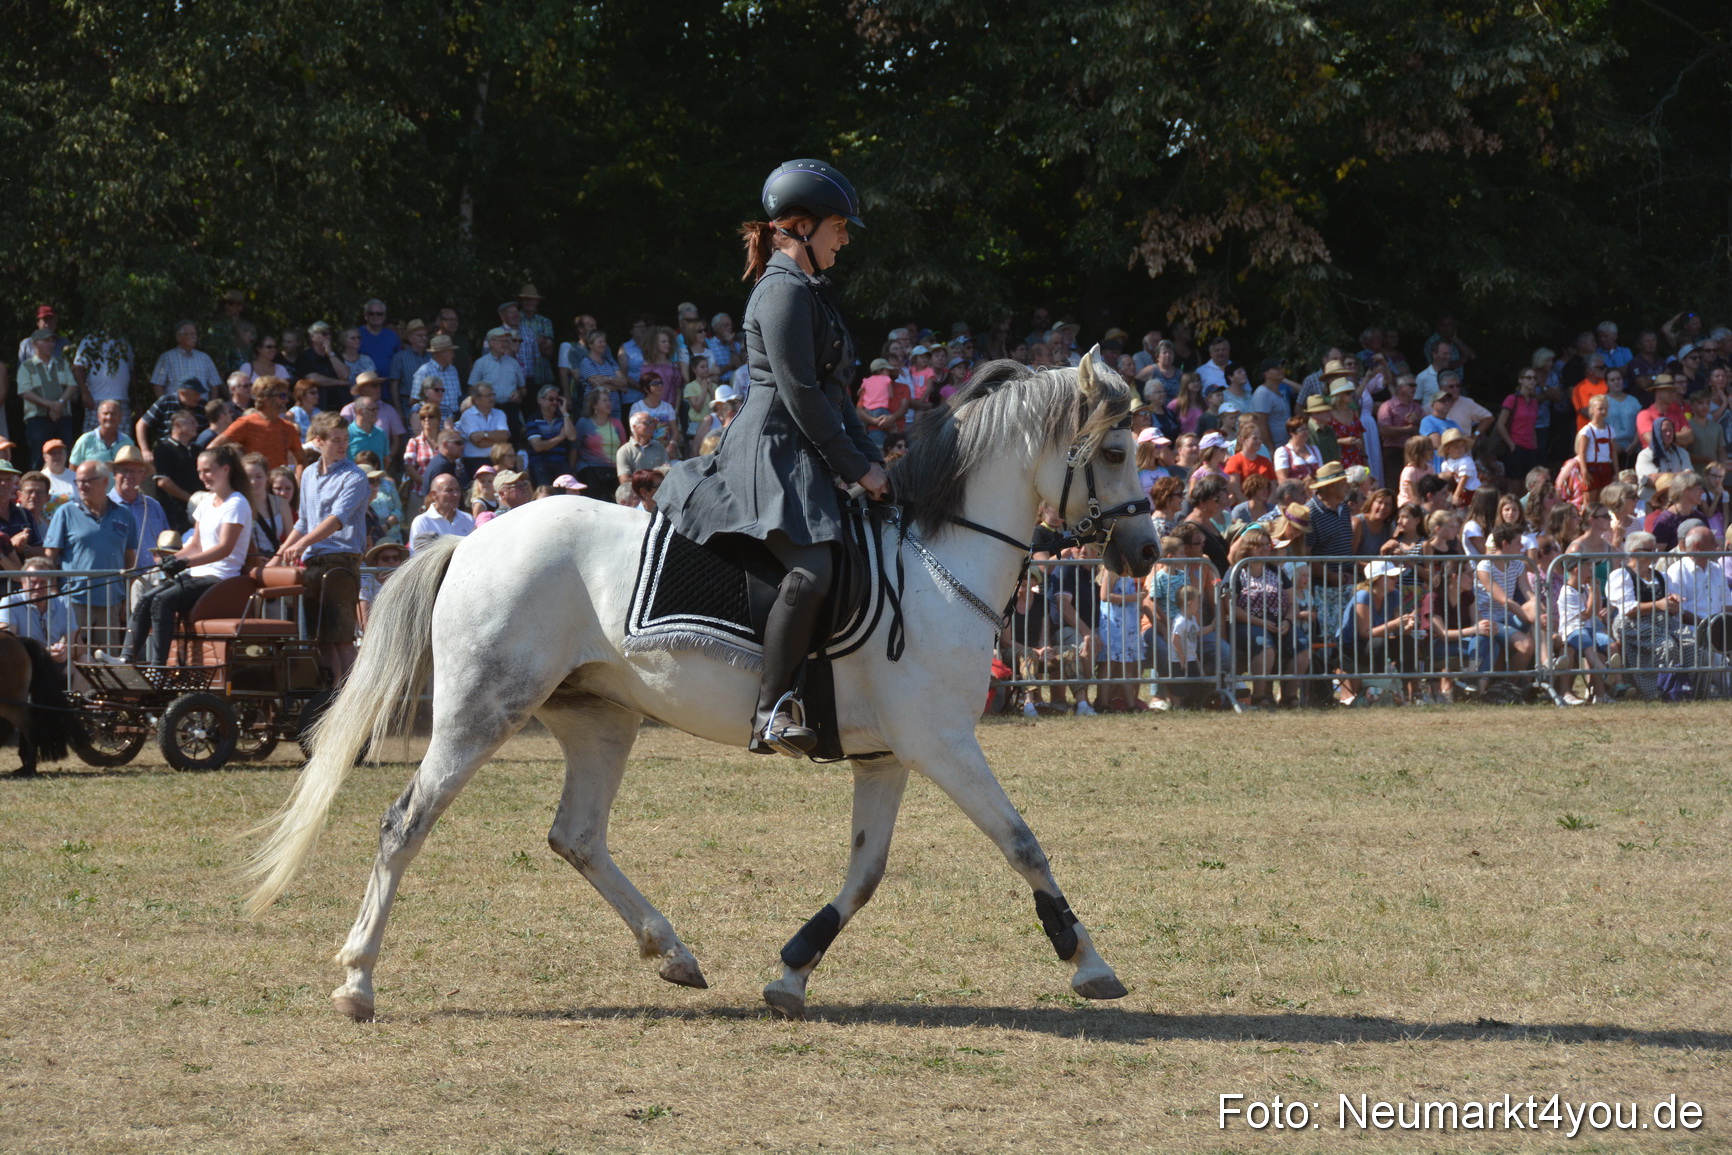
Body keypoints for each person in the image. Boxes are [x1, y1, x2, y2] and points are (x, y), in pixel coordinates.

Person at [656, 159, 885, 755]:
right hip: (772, 450)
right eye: (839, 226)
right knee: (811, 572)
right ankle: (771, 710)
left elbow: (838, 398)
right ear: (802, 227)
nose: (845, 237)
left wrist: (878, 463)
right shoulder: (781, 292)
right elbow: (801, 395)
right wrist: (857, 469)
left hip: (806, 443)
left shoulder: (814, 292)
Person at [104, 445, 252, 666]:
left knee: (163, 601)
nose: (203, 477)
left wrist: (184, 562)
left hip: (221, 578)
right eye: (200, 472)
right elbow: (196, 544)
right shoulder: (206, 502)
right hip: (198, 574)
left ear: (226, 469)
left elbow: (224, 549)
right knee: (146, 599)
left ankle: (158, 667)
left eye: (208, 471)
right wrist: (172, 559)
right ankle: (126, 658)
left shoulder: (237, 503)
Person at [271, 412, 368, 678]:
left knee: (341, 638)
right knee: (321, 639)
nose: (342, 445)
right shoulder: (309, 475)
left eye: (345, 439)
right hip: (314, 564)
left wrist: (301, 544)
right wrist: (278, 556)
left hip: (341, 562)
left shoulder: (355, 477)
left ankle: (351, 698)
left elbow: (336, 520)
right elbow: (303, 521)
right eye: (336, 439)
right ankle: (332, 698)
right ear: (318, 442)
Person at [44, 460, 137, 657]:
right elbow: (49, 557)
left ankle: (107, 690)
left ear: (104, 481)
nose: (81, 486)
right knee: (72, 654)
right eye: (78, 482)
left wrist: (126, 600)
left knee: (109, 658)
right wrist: (53, 594)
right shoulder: (65, 512)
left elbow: (130, 560)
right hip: (74, 600)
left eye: (87, 481)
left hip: (111, 601)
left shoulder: (124, 514)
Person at [208, 376, 304, 472]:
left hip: (278, 485)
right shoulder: (247, 423)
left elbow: (302, 461)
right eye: (282, 396)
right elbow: (212, 449)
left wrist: (299, 481)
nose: (286, 400)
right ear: (267, 399)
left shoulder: (288, 427)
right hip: (253, 484)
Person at [107, 446, 169, 561]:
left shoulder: (153, 506)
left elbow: (167, 545)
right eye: (124, 470)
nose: (129, 476)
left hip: (153, 576)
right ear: (115, 473)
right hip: (121, 577)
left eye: (135, 471)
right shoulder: (104, 507)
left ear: (143, 476)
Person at [524, 386, 577, 486]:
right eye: (551, 399)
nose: (555, 403)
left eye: (557, 399)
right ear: (540, 400)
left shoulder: (562, 418)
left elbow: (572, 436)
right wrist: (560, 437)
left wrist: (565, 413)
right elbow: (538, 446)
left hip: (560, 462)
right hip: (540, 463)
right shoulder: (533, 420)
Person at [69, 400, 135, 466]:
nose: (109, 417)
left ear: (120, 417)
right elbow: (72, 471)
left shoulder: (127, 442)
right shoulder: (85, 440)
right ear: (98, 417)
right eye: (105, 413)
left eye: (113, 414)